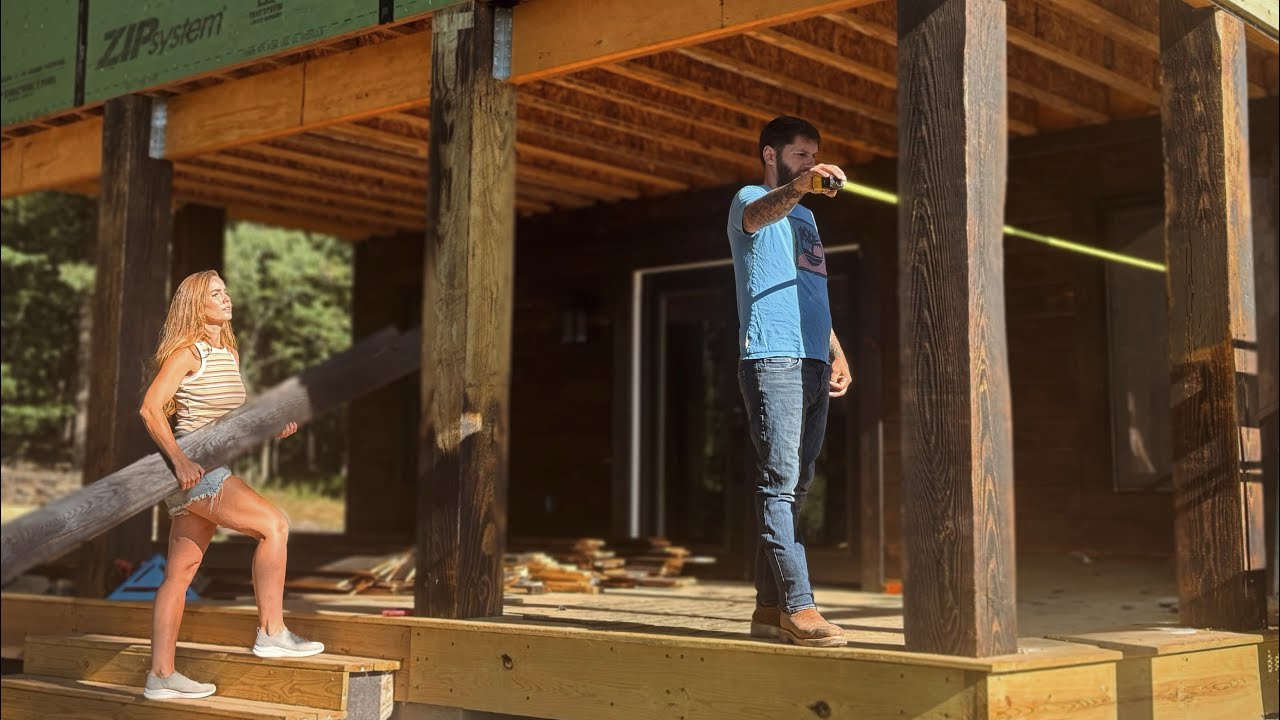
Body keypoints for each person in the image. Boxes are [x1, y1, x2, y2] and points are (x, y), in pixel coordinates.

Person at [138, 270, 323, 700]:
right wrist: (181, 461)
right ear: (195, 305)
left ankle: (161, 676)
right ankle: (272, 631)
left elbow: (228, 421)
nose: (227, 298)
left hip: (200, 474)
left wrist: (270, 427)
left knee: (178, 575)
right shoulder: (188, 352)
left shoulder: (228, 352)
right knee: (274, 525)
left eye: (225, 291)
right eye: (216, 294)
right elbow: (150, 409)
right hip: (199, 473)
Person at [727, 116, 853, 648]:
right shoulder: (751, 199)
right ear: (771, 155)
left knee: (797, 486)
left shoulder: (807, 221)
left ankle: (768, 609)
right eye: (799, 154)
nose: (809, 163)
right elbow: (759, 214)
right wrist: (798, 185)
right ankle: (800, 606)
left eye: (813, 155)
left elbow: (811, 289)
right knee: (778, 483)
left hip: (812, 358)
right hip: (772, 358)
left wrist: (836, 349)